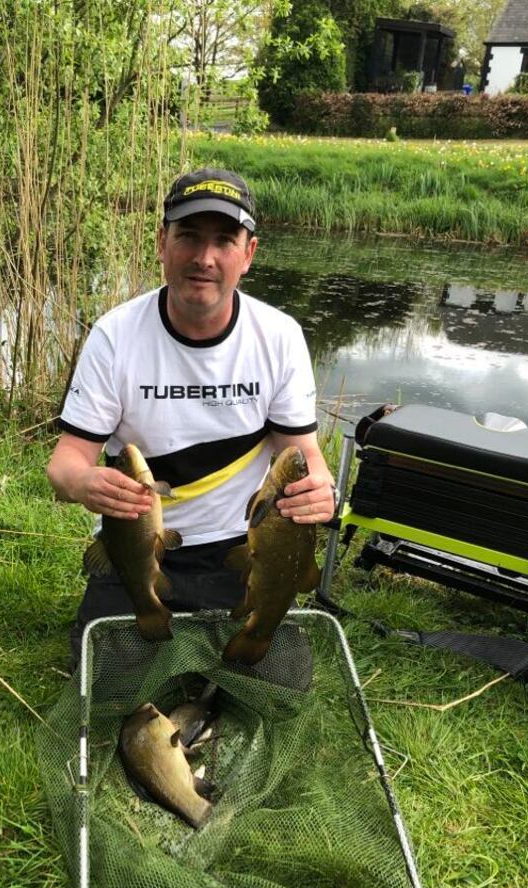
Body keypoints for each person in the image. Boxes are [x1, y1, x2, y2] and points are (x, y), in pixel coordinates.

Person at [47, 167, 337, 666]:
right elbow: (66, 462)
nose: (204, 258)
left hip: (236, 546)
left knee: (273, 673)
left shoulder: (280, 336)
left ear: (248, 255)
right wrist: (84, 483)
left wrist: (321, 489)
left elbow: (303, 454)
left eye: (224, 240)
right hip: (136, 543)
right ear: (161, 242)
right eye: (188, 237)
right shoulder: (115, 335)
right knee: (105, 672)